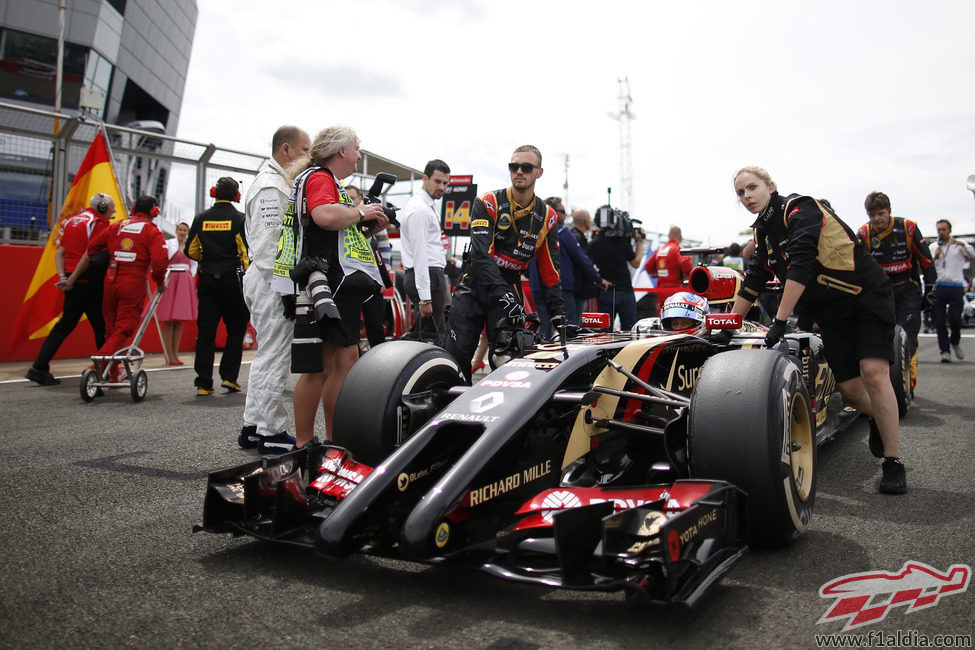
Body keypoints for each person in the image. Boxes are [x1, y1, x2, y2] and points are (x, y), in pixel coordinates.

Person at [729, 166, 905, 495]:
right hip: (832, 310)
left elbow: (802, 262)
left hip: (866, 296)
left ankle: (893, 462)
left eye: (752, 187)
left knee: (874, 373)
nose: (747, 196)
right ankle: (880, 418)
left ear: (771, 186)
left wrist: (780, 321)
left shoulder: (801, 207)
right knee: (851, 393)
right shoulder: (762, 233)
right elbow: (754, 279)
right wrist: (725, 325)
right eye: (740, 193)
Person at [278, 126, 389, 448]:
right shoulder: (321, 178)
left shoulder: (322, 180)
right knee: (323, 365)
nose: (359, 155)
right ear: (341, 150)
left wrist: (366, 225)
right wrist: (361, 211)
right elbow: (324, 216)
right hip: (328, 284)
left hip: (330, 281)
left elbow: (334, 233)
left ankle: (330, 439)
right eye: (357, 148)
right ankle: (307, 442)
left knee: (343, 362)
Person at [446, 145, 564, 382]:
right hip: (475, 283)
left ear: (538, 172)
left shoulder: (548, 216)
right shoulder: (487, 202)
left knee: (508, 359)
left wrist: (559, 317)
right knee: (457, 358)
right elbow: (481, 255)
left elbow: (550, 272)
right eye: (514, 166)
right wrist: (503, 294)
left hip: (510, 285)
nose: (519, 171)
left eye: (526, 167)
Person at [237, 126, 310, 454]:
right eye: (304, 150)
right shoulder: (271, 185)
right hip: (270, 279)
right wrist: (286, 288)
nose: (308, 157)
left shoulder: (275, 182)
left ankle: (253, 426)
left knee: (266, 354)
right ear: (286, 149)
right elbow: (268, 247)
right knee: (274, 355)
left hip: (267, 278)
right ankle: (270, 430)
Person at [67, 195, 168, 380]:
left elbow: (92, 248)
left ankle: (113, 372)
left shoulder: (117, 226)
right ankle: (97, 366)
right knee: (124, 328)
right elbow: (160, 262)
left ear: (133, 209)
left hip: (111, 280)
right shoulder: (152, 231)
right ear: (154, 211)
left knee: (111, 329)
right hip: (133, 282)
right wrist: (160, 282)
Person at [26, 193, 113, 386]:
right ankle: (104, 371)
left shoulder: (72, 221)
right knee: (102, 328)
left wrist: (63, 277)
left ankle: (39, 367)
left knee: (64, 325)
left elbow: (61, 252)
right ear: (102, 207)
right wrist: (71, 279)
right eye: (112, 208)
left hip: (72, 280)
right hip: (88, 281)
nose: (113, 211)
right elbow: (90, 254)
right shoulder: (98, 223)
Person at [856, 192, 935, 389]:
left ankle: (908, 386)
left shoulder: (908, 228)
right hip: (879, 293)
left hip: (907, 290)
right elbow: (854, 266)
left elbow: (926, 262)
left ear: (889, 212)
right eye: (872, 215)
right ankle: (887, 383)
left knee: (908, 337)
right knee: (881, 338)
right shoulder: (864, 233)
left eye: (880, 214)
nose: (877, 219)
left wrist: (931, 290)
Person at [186, 177, 251, 396]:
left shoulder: (200, 218)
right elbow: (246, 254)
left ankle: (203, 382)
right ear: (237, 196)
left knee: (206, 331)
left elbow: (191, 251)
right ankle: (229, 378)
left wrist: (209, 258)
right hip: (232, 281)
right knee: (236, 328)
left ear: (214, 192)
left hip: (207, 281)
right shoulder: (239, 219)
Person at [529, 198, 610, 335]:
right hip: (561, 288)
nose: (565, 215)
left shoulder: (533, 233)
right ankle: (569, 356)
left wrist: (533, 276)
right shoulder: (562, 232)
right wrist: (598, 279)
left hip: (537, 287)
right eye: (563, 211)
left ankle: (541, 356)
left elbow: (524, 259)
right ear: (553, 212)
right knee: (570, 326)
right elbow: (581, 258)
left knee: (544, 328)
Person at [400, 159, 451, 341]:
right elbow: (419, 253)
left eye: (445, 183)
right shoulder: (419, 209)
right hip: (426, 274)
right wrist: (425, 299)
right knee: (432, 337)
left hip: (428, 275)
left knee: (430, 334)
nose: (442, 187)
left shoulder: (424, 206)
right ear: (425, 178)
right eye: (437, 181)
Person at [347, 184, 391, 350]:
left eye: (352, 198)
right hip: (352, 282)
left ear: (360, 199)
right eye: (346, 198)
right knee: (352, 328)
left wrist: (383, 281)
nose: (349, 201)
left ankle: (379, 363)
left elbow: (385, 250)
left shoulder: (372, 217)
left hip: (373, 281)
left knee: (375, 325)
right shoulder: (344, 219)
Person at [589, 206, 644, 331]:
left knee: (604, 332)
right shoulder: (621, 241)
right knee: (628, 331)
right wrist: (639, 241)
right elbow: (636, 263)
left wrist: (597, 281)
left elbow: (588, 266)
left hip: (606, 290)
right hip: (625, 290)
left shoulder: (594, 243)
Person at [931, 219, 975, 362]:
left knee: (955, 319)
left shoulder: (959, 246)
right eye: (939, 230)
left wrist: (962, 244)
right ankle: (944, 351)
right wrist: (935, 256)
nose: (941, 232)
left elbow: (972, 255)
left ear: (949, 230)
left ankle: (955, 341)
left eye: (944, 229)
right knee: (939, 321)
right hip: (939, 286)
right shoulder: (933, 247)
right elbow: (927, 264)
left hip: (956, 286)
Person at [156, 221, 198, 366]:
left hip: (184, 281)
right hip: (171, 279)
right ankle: (168, 354)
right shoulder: (169, 244)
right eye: (180, 229)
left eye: (185, 230)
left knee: (179, 319)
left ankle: (175, 353)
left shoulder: (190, 246)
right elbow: (162, 259)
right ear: (176, 230)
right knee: (169, 319)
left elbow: (194, 263)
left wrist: (190, 276)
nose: (182, 232)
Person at [645, 226, 692, 290]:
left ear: (669, 236)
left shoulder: (660, 249)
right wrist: (689, 276)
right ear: (680, 236)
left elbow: (648, 266)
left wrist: (660, 274)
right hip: (676, 288)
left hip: (661, 289)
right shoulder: (677, 249)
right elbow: (686, 263)